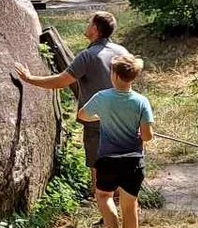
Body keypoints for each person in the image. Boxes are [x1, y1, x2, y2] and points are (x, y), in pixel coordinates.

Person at [14, 11, 130, 192]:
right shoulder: (122, 52)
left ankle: (107, 216)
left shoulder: (89, 55)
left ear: (95, 28)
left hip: (97, 121)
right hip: (124, 119)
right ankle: (125, 211)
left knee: (100, 173)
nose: (86, 25)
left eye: (88, 22)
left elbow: (61, 81)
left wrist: (29, 79)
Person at [77, 54, 154, 228]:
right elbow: (147, 136)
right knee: (130, 207)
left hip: (108, 159)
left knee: (103, 195)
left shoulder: (102, 97)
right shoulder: (141, 101)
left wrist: (100, 116)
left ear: (114, 74)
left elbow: (83, 115)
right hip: (133, 160)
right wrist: (139, 131)